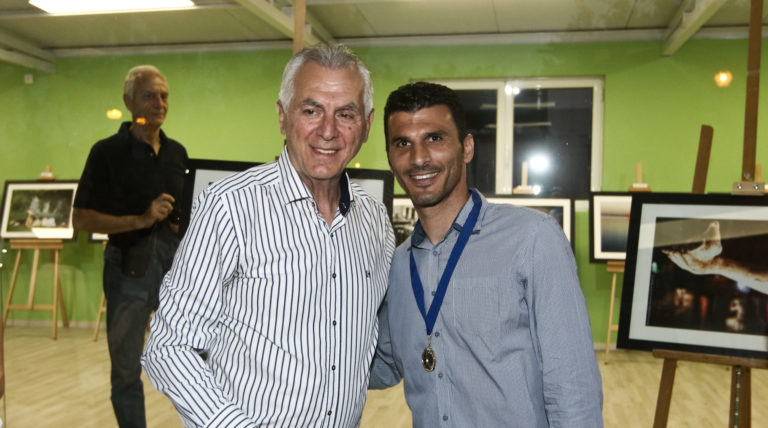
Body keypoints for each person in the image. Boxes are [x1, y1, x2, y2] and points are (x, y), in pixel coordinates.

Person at [141, 43, 394, 427]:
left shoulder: (375, 221)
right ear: (282, 116)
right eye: (311, 110)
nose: (328, 131)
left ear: (367, 125)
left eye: (345, 114)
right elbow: (169, 346)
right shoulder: (230, 207)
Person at [369, 82, 603, 427]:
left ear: (467, 147)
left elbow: (573, 387)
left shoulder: (533, 239)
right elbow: (383, 367)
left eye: (435, 138)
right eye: (403, 143)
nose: (418, 158)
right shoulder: (399, 267)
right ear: (390, 158)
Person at [72, 65, 188, 428]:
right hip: (127, 272)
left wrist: (179, 224)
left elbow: (183, 217)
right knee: (125, 371)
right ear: (128, 101)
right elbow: (81, 219)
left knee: (197, 360)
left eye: (164, 96)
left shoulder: (178, 153)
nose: (159, 103)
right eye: (149, 96)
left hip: (176, 273)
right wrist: (140, 220)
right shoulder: (107, 153)